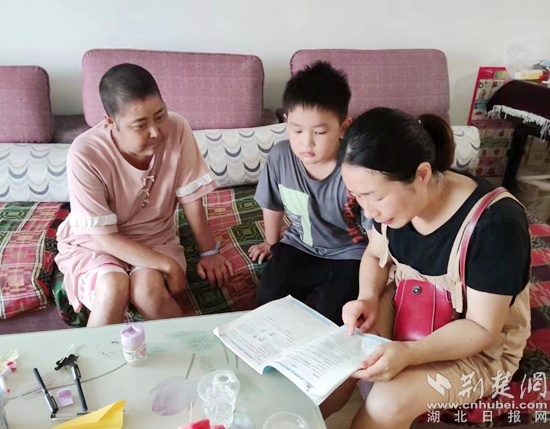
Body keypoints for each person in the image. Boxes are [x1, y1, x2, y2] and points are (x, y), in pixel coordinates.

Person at [324, 107, 531, 428]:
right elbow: (374, 255)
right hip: (410, 309)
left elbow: (481, 327)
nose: (368, 211)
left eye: (374, 197)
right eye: (357, 197)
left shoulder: (495, 224)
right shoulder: (390, 208)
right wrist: (367, 296)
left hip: (479, 349)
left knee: (387, 403)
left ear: (421, 174)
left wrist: (409, 353)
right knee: (337, 361)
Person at [56, 63, 233, 327]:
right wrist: (168, 266)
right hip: (97, 243)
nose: (156, 132)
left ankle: (200, 352)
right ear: (110, 122)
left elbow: (191, 198)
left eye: (160, 116)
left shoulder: (178, 128)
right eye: (140, 125)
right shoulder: (85, 153)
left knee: (148, 292)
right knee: (112, 287)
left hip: (154, 237)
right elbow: (104, 238)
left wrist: (209, 252)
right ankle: (94, 355)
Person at [248, 61, 367, 324]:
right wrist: (271, 242)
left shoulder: (355, 168)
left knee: (333, 315)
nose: (306, 142)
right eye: (297, 130)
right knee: (268, 301)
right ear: (286, 121)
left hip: (348, 253)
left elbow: (375, 226)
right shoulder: (280, 156)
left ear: (343, 127)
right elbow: (272, 204)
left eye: (320, 132)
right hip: (299, 245)